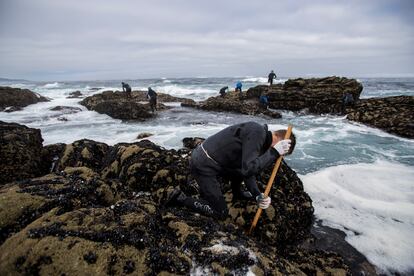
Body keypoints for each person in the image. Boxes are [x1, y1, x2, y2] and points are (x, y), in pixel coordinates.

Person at [166, 122, 296, 220]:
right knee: (220, 213)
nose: (278, 156)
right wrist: (273, 152)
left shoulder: (260, 137)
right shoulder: (258, 133)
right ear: (279, 139)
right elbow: (248, 169)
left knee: (239, 169)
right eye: (281, 150)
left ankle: (237, 193)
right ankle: (181, 198)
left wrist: (257, 195)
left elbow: (245, 169)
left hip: (214, 162)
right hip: (203, 164)